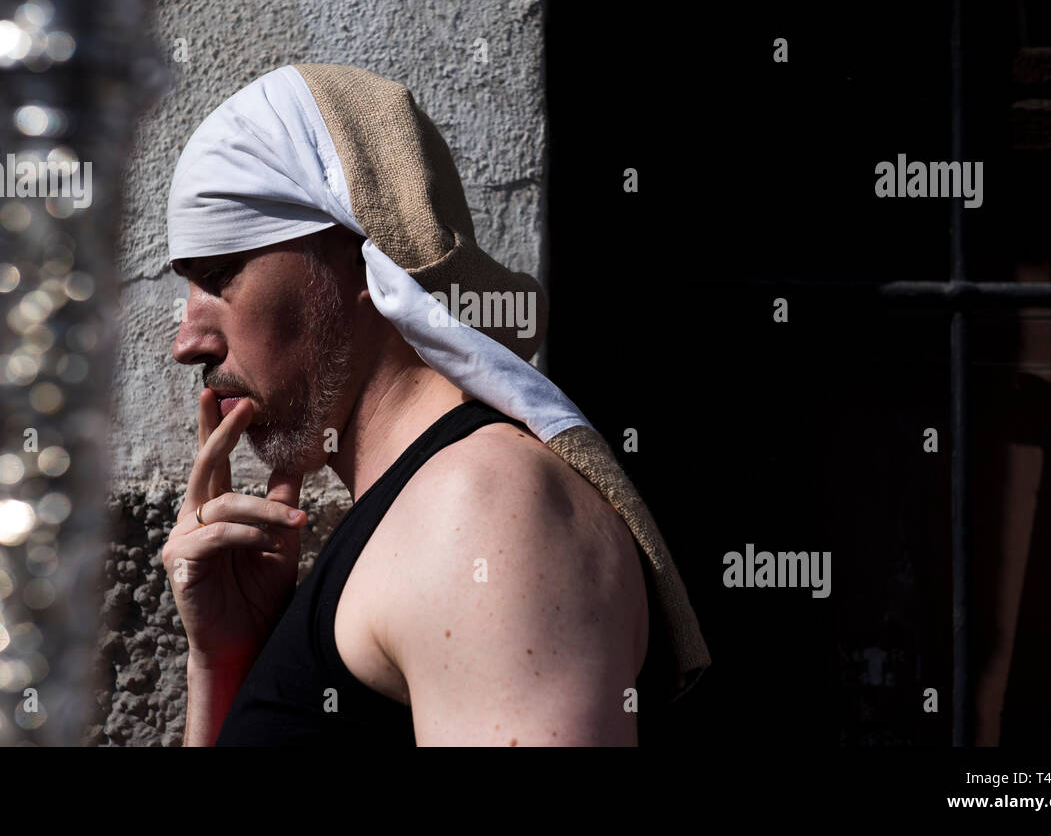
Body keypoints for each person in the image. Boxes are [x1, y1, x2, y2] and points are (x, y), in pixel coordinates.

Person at [160, 63, 710, 745]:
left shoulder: (484, 510)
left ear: (364, 260)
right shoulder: (419, 512)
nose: (188, 342)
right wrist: (224, 659)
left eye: (219, 277)